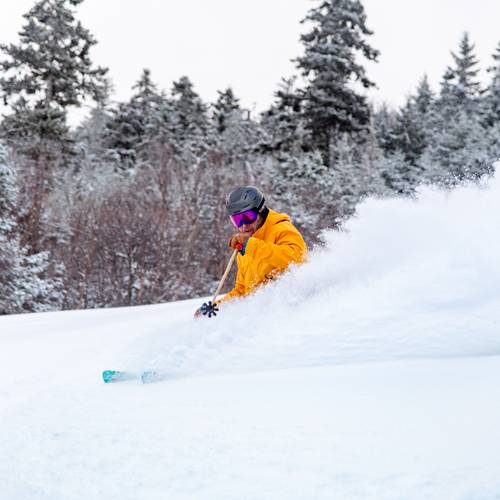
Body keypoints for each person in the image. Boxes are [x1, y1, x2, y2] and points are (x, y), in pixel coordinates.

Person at [196, 186, 307, 316]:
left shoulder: (280, 229)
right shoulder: (246, 244)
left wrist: (250, 245)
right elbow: (242, 291)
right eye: (237, 220)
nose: (243, 225)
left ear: (261, 210)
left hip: (289, 310)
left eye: (248, 217)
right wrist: (217, 308)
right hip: (261, 315)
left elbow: (298, 259)